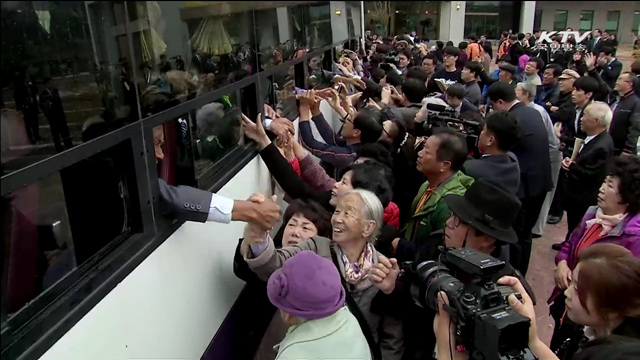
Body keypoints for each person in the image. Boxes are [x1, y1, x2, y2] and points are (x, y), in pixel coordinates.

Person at [371, 179, 536, 360]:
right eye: (452, 215)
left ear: (488, 239)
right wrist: (394, 286)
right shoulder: (436, 246)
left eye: (459, 221)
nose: (448, 223)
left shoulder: (507, 289)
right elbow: (411, 296)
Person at [241, 189, 404, 360]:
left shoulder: (384, 269)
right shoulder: (316, 247)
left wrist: (391, 291)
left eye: (347, 213)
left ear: (368, 227)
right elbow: (274, 265)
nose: (337, 219)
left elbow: (392, 336)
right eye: (337, 211)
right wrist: (258, 236)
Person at [548, 156, 640, 352]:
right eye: (604, 182)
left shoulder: (633, 237)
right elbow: (570, 244)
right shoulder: (593, 214)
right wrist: (563, 262)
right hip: (570, 306)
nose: (601, 189)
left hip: (593, 320)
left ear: (627, 195)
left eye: (610, 185)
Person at [233, 199, 332, 360]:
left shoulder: (322, 279)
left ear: (319, 241)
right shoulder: (268, 260)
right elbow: (245, 268)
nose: (295, 232)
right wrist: (252, 236)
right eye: (291, 224)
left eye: (305, 227)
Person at [486, 82, 553, 275]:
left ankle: (513, 275)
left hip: (524, 187)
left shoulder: (511, 120)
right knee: (525, 236)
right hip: (540, 182)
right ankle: (520, 272)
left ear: (500, 102)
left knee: (515, 236)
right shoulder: (532, 112)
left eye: (493, 106)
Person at [392, 128, 473, 264]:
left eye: (427, 152)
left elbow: (439, 254)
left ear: (444, 165)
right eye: (422, 148)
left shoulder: (450, 204)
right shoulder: (427, 184)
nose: (419, 154)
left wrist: (402, 246)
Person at [550, 244, 640, 358]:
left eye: (577, 289)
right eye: (571, 281)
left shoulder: (616, 355)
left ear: (611, 309)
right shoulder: (589, 327)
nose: (567, 292)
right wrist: (534, 342)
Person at [554, 101, 615, 249]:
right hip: (577, 194)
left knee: (578, 224)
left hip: (584, 196)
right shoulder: (593, 139)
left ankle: (572, 248)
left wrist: (572, 167)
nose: (581, 118)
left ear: (596, 121)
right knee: (573, 224)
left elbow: (592, 174)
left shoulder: (601, 146)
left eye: (585, 115)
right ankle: (568, 241)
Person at [516, 82, 562, 238]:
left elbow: (544, 141)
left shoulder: (537, 111)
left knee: (543, 193)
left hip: (549, 155)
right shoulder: (524, 111)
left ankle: (537, 229)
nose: (515, 94)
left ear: (526, 95)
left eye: (518, 91)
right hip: (540, 156)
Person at [298, 90, 382, 174]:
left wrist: (304, 109)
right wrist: (315, 111)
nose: (345, 121)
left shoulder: (348, 156)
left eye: (349, 119)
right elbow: (334, 140)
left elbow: (309, 144)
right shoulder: (357, 146)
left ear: (356, 132)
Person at [463, 111, 521, 194]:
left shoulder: (470, 170)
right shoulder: (513, 160)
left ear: (490, 140)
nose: (481, 133)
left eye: (483, 130)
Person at [609, 72, 640, 156]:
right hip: (610, 146)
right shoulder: (616, 99)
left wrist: (628, 149)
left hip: (621, 150)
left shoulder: (636, 103)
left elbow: (635, 128)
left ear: (629, 84)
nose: (616, 82)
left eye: (620, 79)